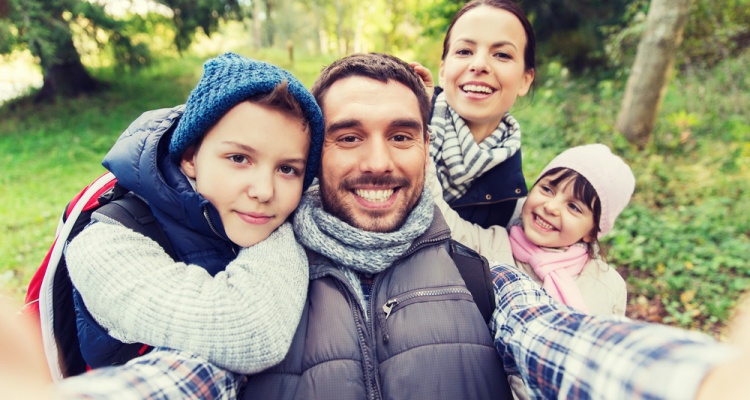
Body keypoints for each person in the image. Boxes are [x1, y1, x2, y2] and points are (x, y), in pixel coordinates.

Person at [30, 52, 749, 400]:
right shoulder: (258, 282)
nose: (379, 161)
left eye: (402, 136)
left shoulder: (483, 273)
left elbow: (562, 341)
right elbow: (179, 378)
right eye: (348, 137)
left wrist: (697, 381)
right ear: (313, 159)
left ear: (425, 148)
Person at [63, 52, 325, 375]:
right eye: (239, 158)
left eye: (288, 169)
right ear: (190, 157)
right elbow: (252, 332)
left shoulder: (243, 212)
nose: (264, 191)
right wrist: (287, 226)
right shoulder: (106, 245)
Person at [410, 0, 536, 265]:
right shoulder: (400, 127)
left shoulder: (515, 201)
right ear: (443, 71)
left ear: (525, 80)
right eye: (465, 51)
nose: (479, 65)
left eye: (502, 55)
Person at [509, 143, 632, 316]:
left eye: (574, 207)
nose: (551, 207)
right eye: (547, 189)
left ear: (592, 232)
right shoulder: (488, 243)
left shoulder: (609, 286)